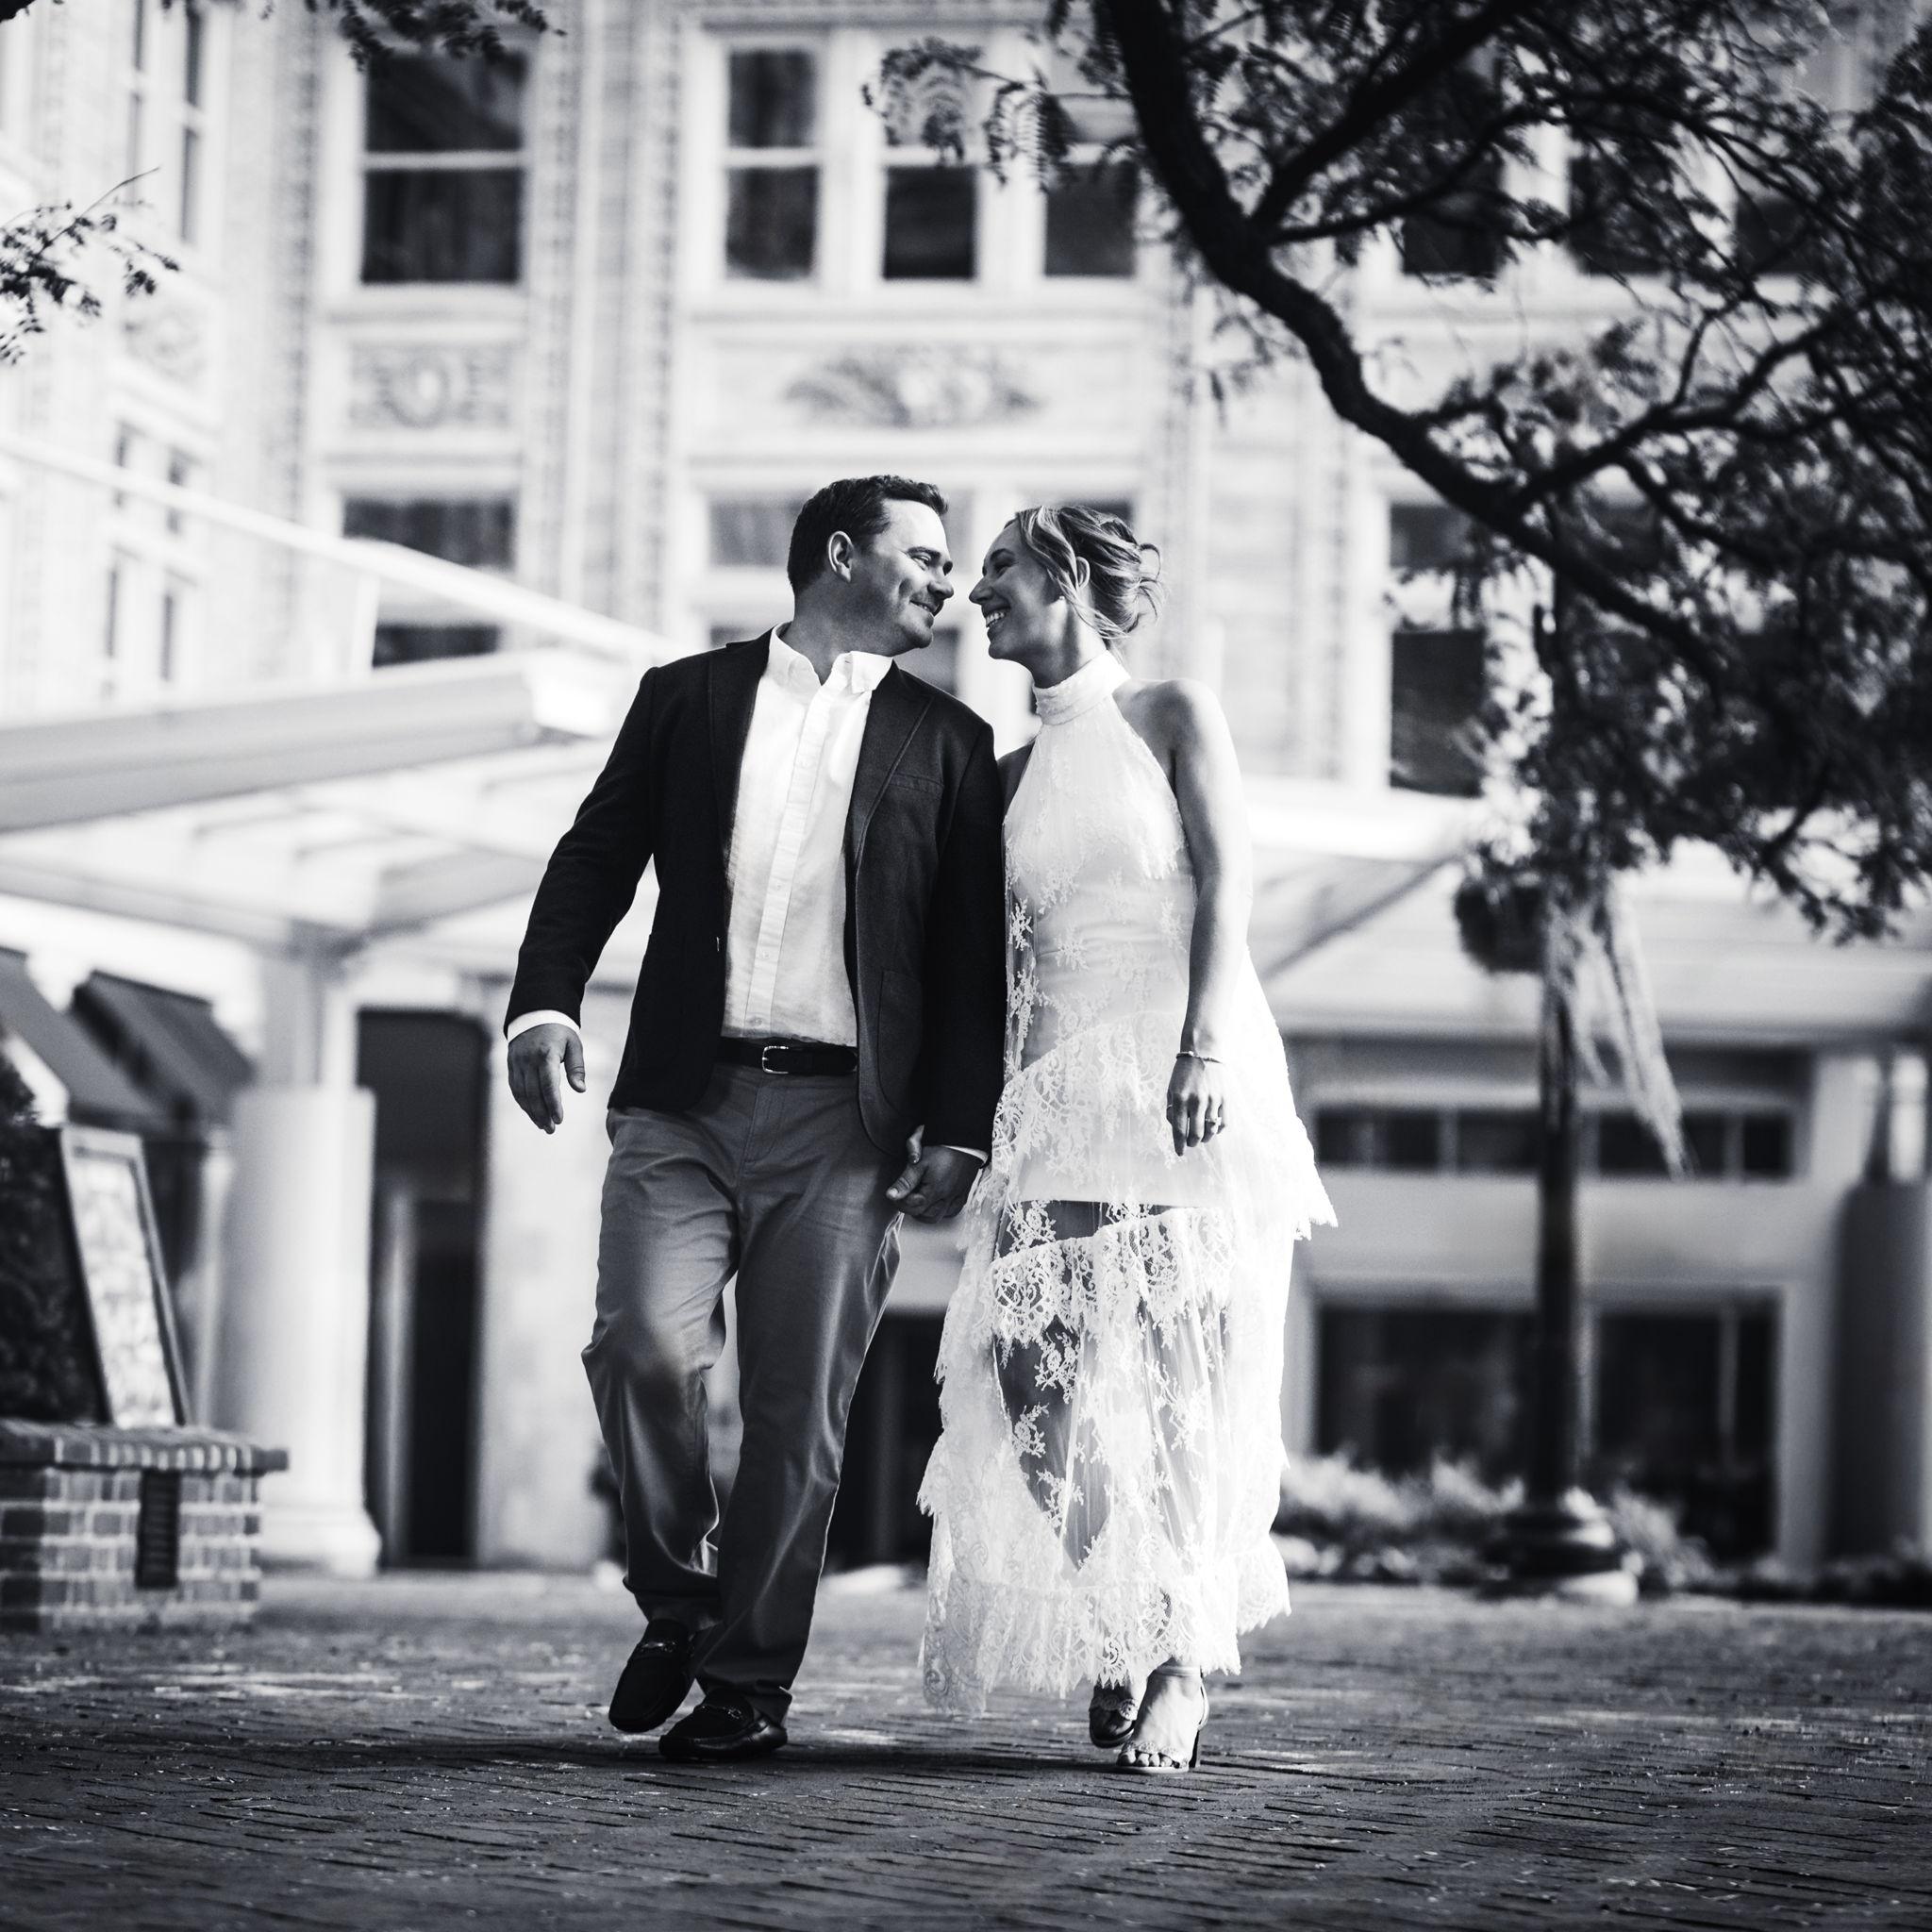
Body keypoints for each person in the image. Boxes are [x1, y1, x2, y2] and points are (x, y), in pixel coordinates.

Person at [505, 476, 1005, 1763]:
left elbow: (968, 961)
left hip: (847, 1123)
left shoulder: (949, 740)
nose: (946, 581)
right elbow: (594, 857)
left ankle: (748, 1683)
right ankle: (680, 1601)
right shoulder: (687, 696)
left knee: (797, 1415)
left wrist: (960, 1127)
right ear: (841, 554)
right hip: (684, 1096)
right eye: (924, 555)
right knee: (641, 1350)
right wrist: (543, 1006)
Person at [918, 504, 1334, 1772]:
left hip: (1176, 1067)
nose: (977, 591)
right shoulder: (1001, 776)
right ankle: (1126, 1604)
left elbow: (1229, 881)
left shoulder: (1170, 715)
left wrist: (1202, 1048)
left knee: (1175, 1379)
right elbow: (997, 967)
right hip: (1053, 1090)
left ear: (1067, 578)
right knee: (1028, 1368)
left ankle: (1178, 1667)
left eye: (1000, 566)